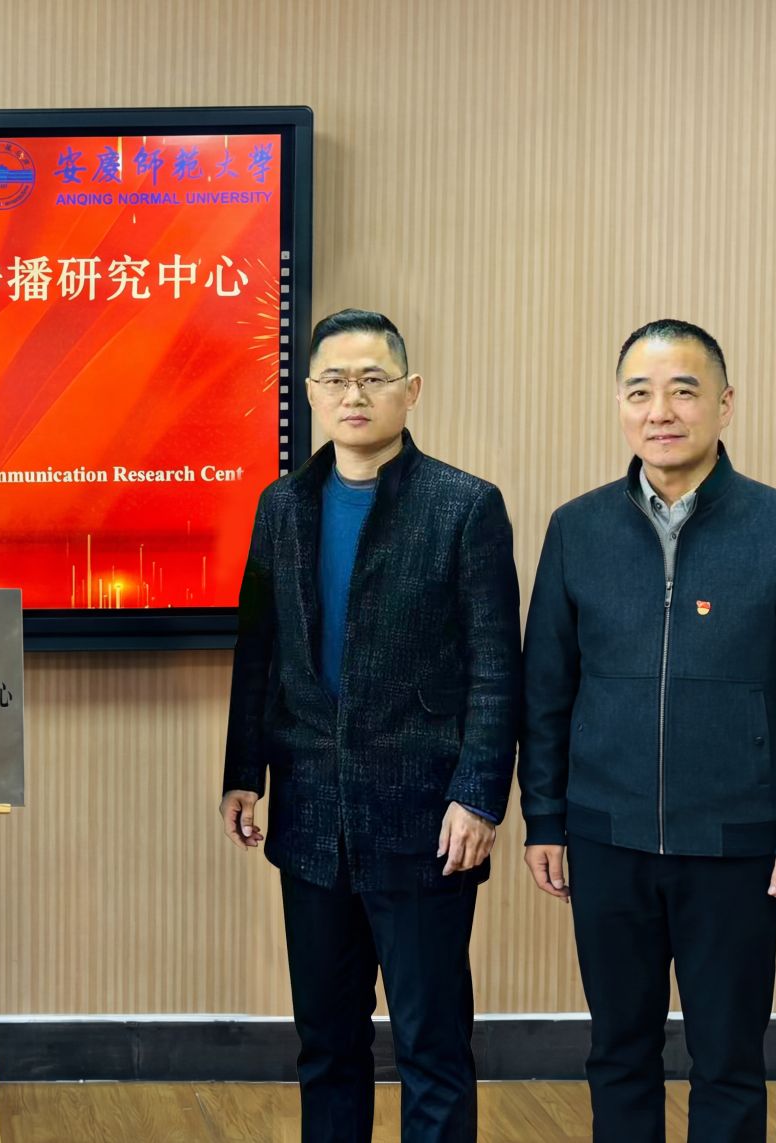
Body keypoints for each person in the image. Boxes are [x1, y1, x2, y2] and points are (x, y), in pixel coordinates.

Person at [520, 318, 776, 1143]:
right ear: (620, 405)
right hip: (606, 838)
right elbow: (546, 690)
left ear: (724, 404)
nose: (660, 411)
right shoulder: (577, 528)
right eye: (640, 393)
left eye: (683, 390)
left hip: (737, 845)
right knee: (618, 1054)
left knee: (729, 1060)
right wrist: (545, 818)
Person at [221, 309, 520, 1142]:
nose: (354, 394)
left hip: (426, 817)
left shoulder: (465, 506)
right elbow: (258, 647)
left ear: (410, 391)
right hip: (311, 814)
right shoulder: (282, 505)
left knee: (433, 1045)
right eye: (336, 379)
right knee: (326, 1045)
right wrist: (243, 772)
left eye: (373, 378)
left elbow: (497, 667)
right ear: (311, 393)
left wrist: (479, 795)